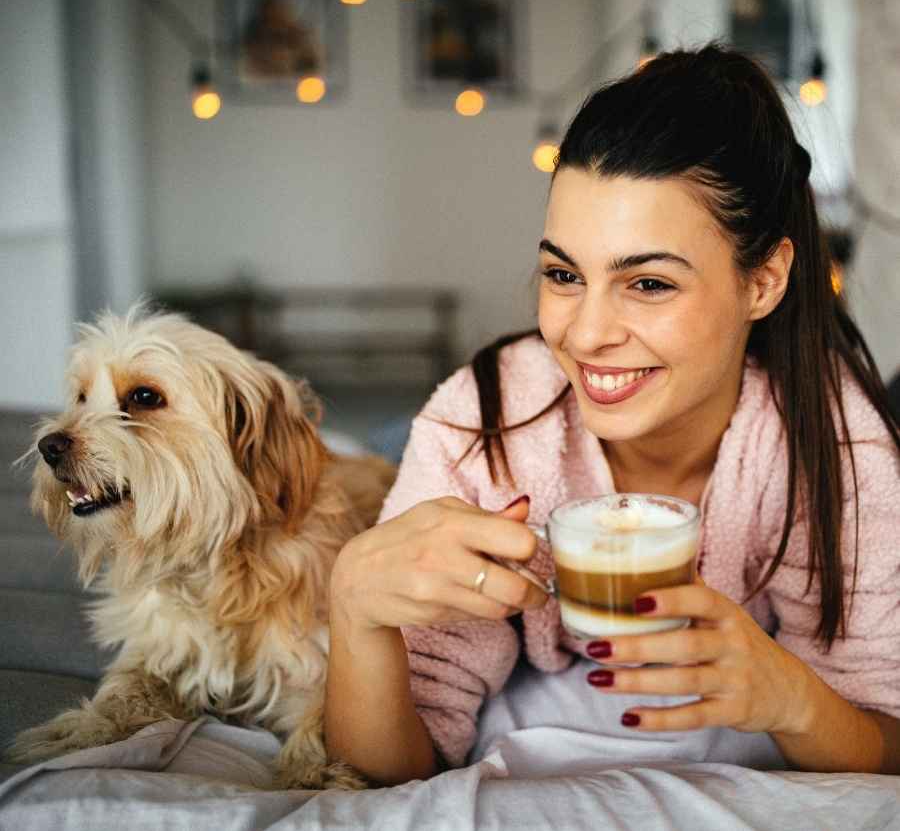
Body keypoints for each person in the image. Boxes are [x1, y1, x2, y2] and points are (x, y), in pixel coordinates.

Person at [324, 43, 900, 786]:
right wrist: (355, 611)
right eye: (564, 274)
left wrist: (794, 702)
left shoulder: (833, 445)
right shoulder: (488, 423)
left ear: (763, 281)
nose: (585, 332)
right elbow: (387, 774)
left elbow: (887, 735)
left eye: (649, 284)